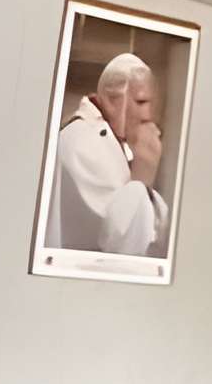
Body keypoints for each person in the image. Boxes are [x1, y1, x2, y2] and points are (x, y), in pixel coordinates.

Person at [52, 50, 168, 258]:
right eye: (141, 102)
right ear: (115, 100)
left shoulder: (112, 141)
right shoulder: (82, 142)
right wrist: (143, 174)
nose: (148, 115)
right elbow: (117, 243)